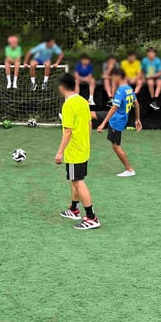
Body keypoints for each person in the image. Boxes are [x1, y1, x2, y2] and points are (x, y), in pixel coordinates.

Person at [54, 73, 99, 230]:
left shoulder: (68, 105)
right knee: (75, 180)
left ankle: (92, 217)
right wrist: (86, 141)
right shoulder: (82, 101)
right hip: (84, 147)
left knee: (78, 182)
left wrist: (60, 152)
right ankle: (74, 209)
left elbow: (68, 131)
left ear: (62, 87)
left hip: (74, 150)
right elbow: (89, 124)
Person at [95, 68, 142, 178]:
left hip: (117, 121)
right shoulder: (129, 89)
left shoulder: (121, 90)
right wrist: (137, 119)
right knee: (92, 113)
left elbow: (114, 108)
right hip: (118, 118)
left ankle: (129, 169)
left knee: (116, 146)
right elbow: (137, 104)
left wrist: (102, 124)